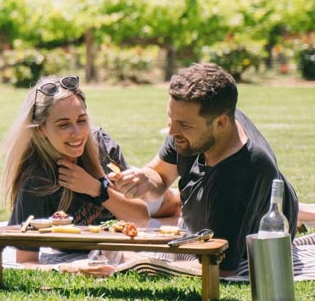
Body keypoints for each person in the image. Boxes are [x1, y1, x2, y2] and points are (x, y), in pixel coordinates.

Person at [112, 62, 299, 274]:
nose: (171, 132)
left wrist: (134, 263)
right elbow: (160, 176)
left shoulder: (239, 175)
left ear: (221, 123)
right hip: (199, 224)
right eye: (171, 119)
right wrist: (145, 181)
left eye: (184, 124)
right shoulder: (195, 128)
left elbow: (219, 266)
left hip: (241, 241)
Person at [0, 75, 174, 264]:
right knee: (166, 213)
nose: (77, 133)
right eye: (64, 124)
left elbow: (141, 218)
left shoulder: (102, 146)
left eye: (81, 120)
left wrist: (96, 189)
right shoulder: (37, 182)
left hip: (128, 195)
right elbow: (25, 260)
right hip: (115, 218)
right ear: (41, 130)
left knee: (174, 205)